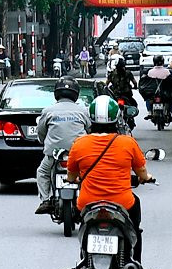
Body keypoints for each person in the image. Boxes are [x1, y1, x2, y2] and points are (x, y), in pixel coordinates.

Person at [66, 95, 154, 258]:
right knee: (135, 227)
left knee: (82, 225)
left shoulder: (79, 144)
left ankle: (85, 259)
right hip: (122, 203)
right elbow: (141, 172)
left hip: (88, 203)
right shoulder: (128, 143)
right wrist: (146, 177)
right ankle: (135, 261)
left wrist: (74, 179)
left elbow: (71, 176)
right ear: (117, 118)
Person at [34, 77, 92, 213]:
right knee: (88, 173)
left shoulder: (48, 111)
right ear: (76, 93)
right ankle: (89, 199)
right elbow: (90, 130)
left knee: (42, 172)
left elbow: (41, 132)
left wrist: (44, 142)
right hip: (79, 153)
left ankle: (45, 200)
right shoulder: (83, 111)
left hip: (54, 154)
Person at [106, 58, 139, 127]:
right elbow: (135, 82)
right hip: (126, 95)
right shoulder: (128, 73)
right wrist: (135, 87)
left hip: (115, 96)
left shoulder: (112, 74)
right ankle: (131, 118)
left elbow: (106, 84)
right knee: (134, 105)